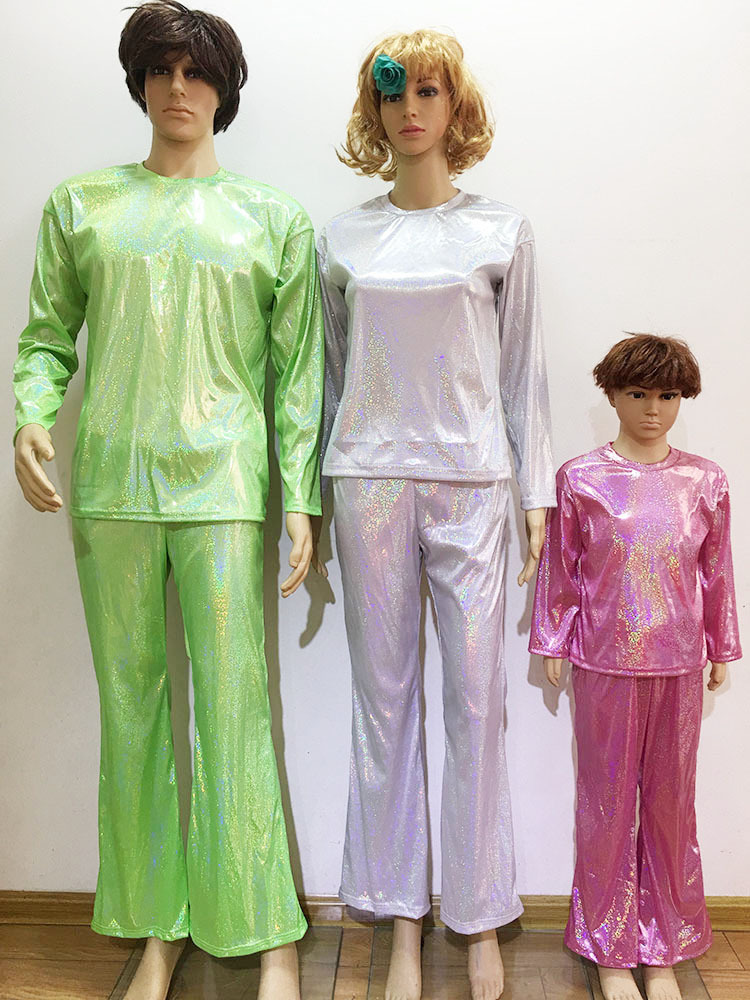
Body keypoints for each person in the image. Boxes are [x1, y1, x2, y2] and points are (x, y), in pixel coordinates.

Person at [12, 3, 323, 999]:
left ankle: (265, 927)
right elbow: (48, 336)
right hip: (111, 484)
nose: (178, 88)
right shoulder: (82, 206)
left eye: (197, 72)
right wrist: (30, 415)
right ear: (139, 83)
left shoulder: (273, 219)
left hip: (225, 483)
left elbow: (298, 377)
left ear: (224, 90)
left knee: (235, 705)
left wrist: (302, 495)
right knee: (132, 709)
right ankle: (156, 925)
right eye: (160, 70)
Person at [316, 30, 556, 1000]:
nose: (410, 108)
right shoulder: (342, 238)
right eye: (393, 91)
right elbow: (331, 376)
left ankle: (479, 910)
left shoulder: (501, 232)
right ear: (373, 108)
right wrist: (309, 501)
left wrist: (535, 493)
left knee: (477, 702)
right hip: (368, 479)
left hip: (471, 481)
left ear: (455, 105)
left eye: (428, 90)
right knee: (383, 704)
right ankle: (400, 915)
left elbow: (522, 373)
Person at [530, 334, 741, 1000]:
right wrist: (553, 641)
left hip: (678, 666)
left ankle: (665, 948)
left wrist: (721, 646)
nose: (654, 408)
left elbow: (717, 571)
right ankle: (610, 950)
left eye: (668, 395)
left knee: (672, 806)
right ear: (614, 396)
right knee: (606, 806)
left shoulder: (705, 481)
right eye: (638, 393)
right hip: (605, 664)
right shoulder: (581, 479)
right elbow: (562, 569)